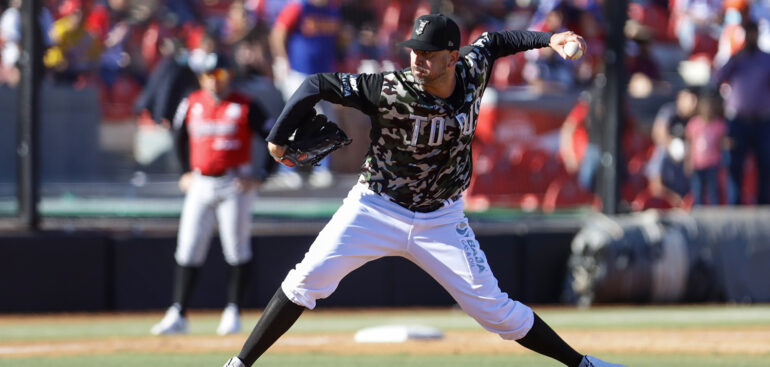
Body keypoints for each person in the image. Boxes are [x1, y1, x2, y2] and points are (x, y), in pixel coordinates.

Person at [221, 13, 625, 367]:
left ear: (453, 57)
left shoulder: (472, 68)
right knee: (305, 281)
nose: (418, 58)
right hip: (375, 207)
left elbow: (498, 41)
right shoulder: (390, 88)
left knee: (498, 313)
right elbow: (316, 84)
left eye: (429, 53)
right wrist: (277, 139)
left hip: (442, 219)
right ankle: (239, 363)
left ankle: (583, 364)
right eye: (414, 50)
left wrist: (549, 38)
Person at [150, 51, 271, 336]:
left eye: (219, 74)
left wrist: (262, 175)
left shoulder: (245, 104)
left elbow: (273, 135)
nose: (213, 80)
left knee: (237, 248)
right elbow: (178, 136)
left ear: (229, 74)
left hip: (234, 183)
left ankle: (234, 311)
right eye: (207, 74)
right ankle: (178, 312)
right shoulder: (191, 103)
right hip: (202, 182)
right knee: (188, 246)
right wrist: (185, 171)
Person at [264, 0, 342, 190]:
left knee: (325, 120)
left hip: (325, 75)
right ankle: (288, 171)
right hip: (299, 73)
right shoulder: (299, 6)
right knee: (293, 120)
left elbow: (337, 43)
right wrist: (282, 60)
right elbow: (278, 33)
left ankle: (322, 169)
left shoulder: (334, 9)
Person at [713, 21, 770, 204]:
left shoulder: (766, 59)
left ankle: (764, 206)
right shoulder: (737, 59)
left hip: (762, 121)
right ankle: (734, 206)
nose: (750, 37)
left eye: (753, 33)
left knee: (765, 164)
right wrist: (734, 59)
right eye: (747, 33)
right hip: (738, 121)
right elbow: (717, 78)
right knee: (734, 165)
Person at [685, 89, 727, 205]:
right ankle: (698, 209)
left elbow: (721, 143)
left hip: (713, 163)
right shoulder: (694, 124)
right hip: (698, 163)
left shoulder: (719, 124)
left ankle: (714, 211)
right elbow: (689, 143)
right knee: (697, 189)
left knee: (713, 188)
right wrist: (688, 161)